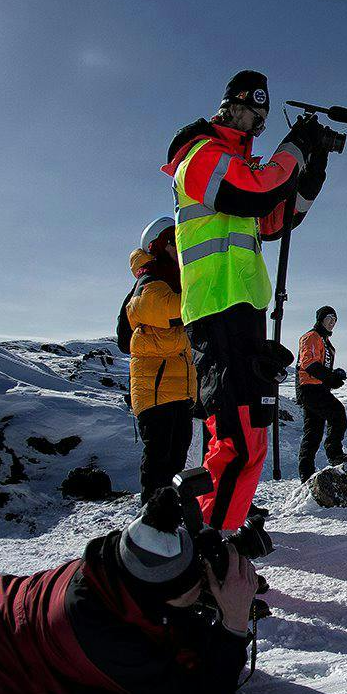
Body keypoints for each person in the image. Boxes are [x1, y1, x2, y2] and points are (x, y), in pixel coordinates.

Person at [162, 70, 330, 532]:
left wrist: (310, 176)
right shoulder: (199, 154)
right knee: (238, 440)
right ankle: (208, 553)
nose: (259, 120)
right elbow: (248, 193)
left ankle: (216, 533)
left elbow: (275, 219)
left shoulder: (242, 164)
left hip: (242, 314)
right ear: (230, 105)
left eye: (265, 115)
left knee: (247, 436)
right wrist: (294, 149)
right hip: (217, 312)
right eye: (253, 110)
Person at [0, 489, 256, 694]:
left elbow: (168, 622)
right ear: (164, 599)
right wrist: (233, 623)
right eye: (197, 581)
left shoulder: (117, 561)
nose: (204, 583)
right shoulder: (103, 636)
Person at [126, 215, 196, 502]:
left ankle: (171, 517)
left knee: (176, 460)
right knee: (159, 461)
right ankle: (152, 521)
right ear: (160, 245)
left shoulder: (172, 279)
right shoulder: (150, 281)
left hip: (178, 390)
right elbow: (169, 315)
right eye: (173, 241)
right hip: (156, 392)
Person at [297, 305, 347, 482]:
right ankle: (335, 455)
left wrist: (334, 377)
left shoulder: (326, 342)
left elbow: (322, 369)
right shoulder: (311, 337)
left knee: (313, 432)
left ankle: (306, 474)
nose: (332, 323)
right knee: (338, 415)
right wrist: (331, 378)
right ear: (320, 320)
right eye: (329, 319)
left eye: (335, 320)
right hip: (310, 388)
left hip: (317, 388)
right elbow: (309, 364)